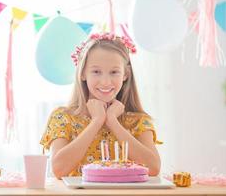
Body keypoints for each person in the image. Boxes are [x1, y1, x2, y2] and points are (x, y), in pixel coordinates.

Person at [40, 32, 162, 179]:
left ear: (125, 74)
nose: (105, 81)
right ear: (83, 73)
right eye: (96, 72)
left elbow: (153, 168)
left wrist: (113, 122)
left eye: (114, 72)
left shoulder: (138, 121)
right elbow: (58, 170)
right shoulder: (63, 117)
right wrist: (96, 121)